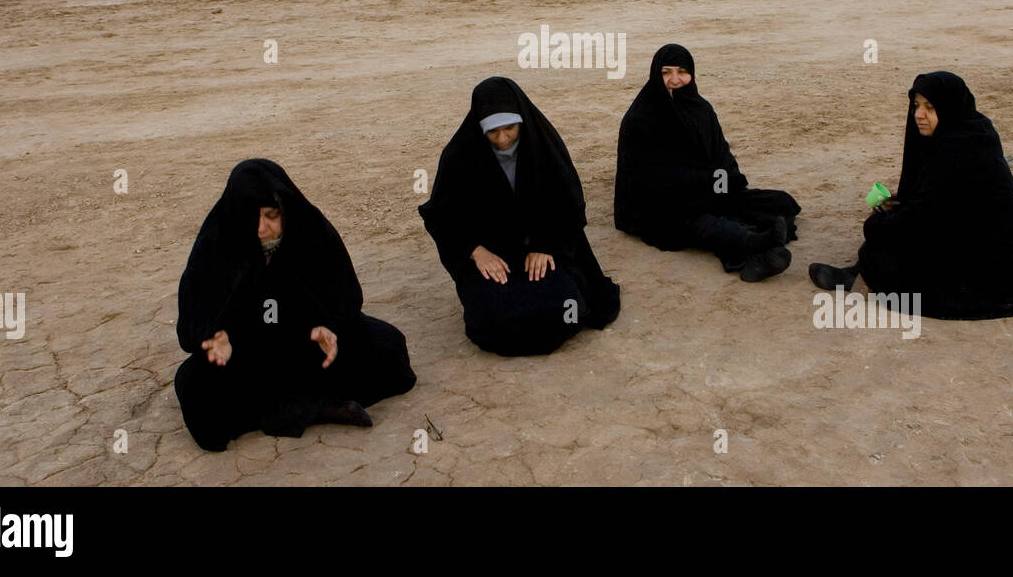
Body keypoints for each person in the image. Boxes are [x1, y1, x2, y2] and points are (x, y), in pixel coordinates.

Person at [175, 159, 416, 451]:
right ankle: (317, 407)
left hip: (306, 350)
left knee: (389, 347)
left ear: (285, 210)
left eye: (271, 216)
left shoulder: (309, 229)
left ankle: (282, 411)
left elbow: (346, 294)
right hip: (246, 359)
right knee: (195, 389)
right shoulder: (216, 243)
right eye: (252, 218)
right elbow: (191, 323)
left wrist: (329, 326)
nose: (262, 229)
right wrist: (212, 337)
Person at [808, 72, 1013, 319]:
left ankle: (859, 272)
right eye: (916, 106)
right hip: (1007, 258)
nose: (919, 115)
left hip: (989, 278)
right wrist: (906, 203)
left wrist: (875, 225)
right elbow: (947, 201)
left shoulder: (956, 151)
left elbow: (925, 219)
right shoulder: (975, 130)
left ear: (948, 108)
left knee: (880, 254)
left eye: (930, 108)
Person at [419, 77, 621, 356]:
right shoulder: (460, 155)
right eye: (492, 132)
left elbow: (569, 203)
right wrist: (475, 251)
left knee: (567, 306)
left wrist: (545, 245)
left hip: (542, 248)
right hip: (491, 255)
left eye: (510, 129)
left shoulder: (543, 148)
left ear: (522, 121)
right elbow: (441, 216)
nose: (502, 140)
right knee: (492, 316)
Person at [615, 44, 799, 282]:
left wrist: (725, 181)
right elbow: (648, 176)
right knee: (699, 221)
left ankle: (760, 248)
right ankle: (755, 244)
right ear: (655, 74)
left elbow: (720, 151)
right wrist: (702, 183)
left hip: (708, 188)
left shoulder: (700, 108)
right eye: (666, 72)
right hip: (662, 201)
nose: (675, 79)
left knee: (779, 202)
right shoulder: (640, 119)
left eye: (682, 71)